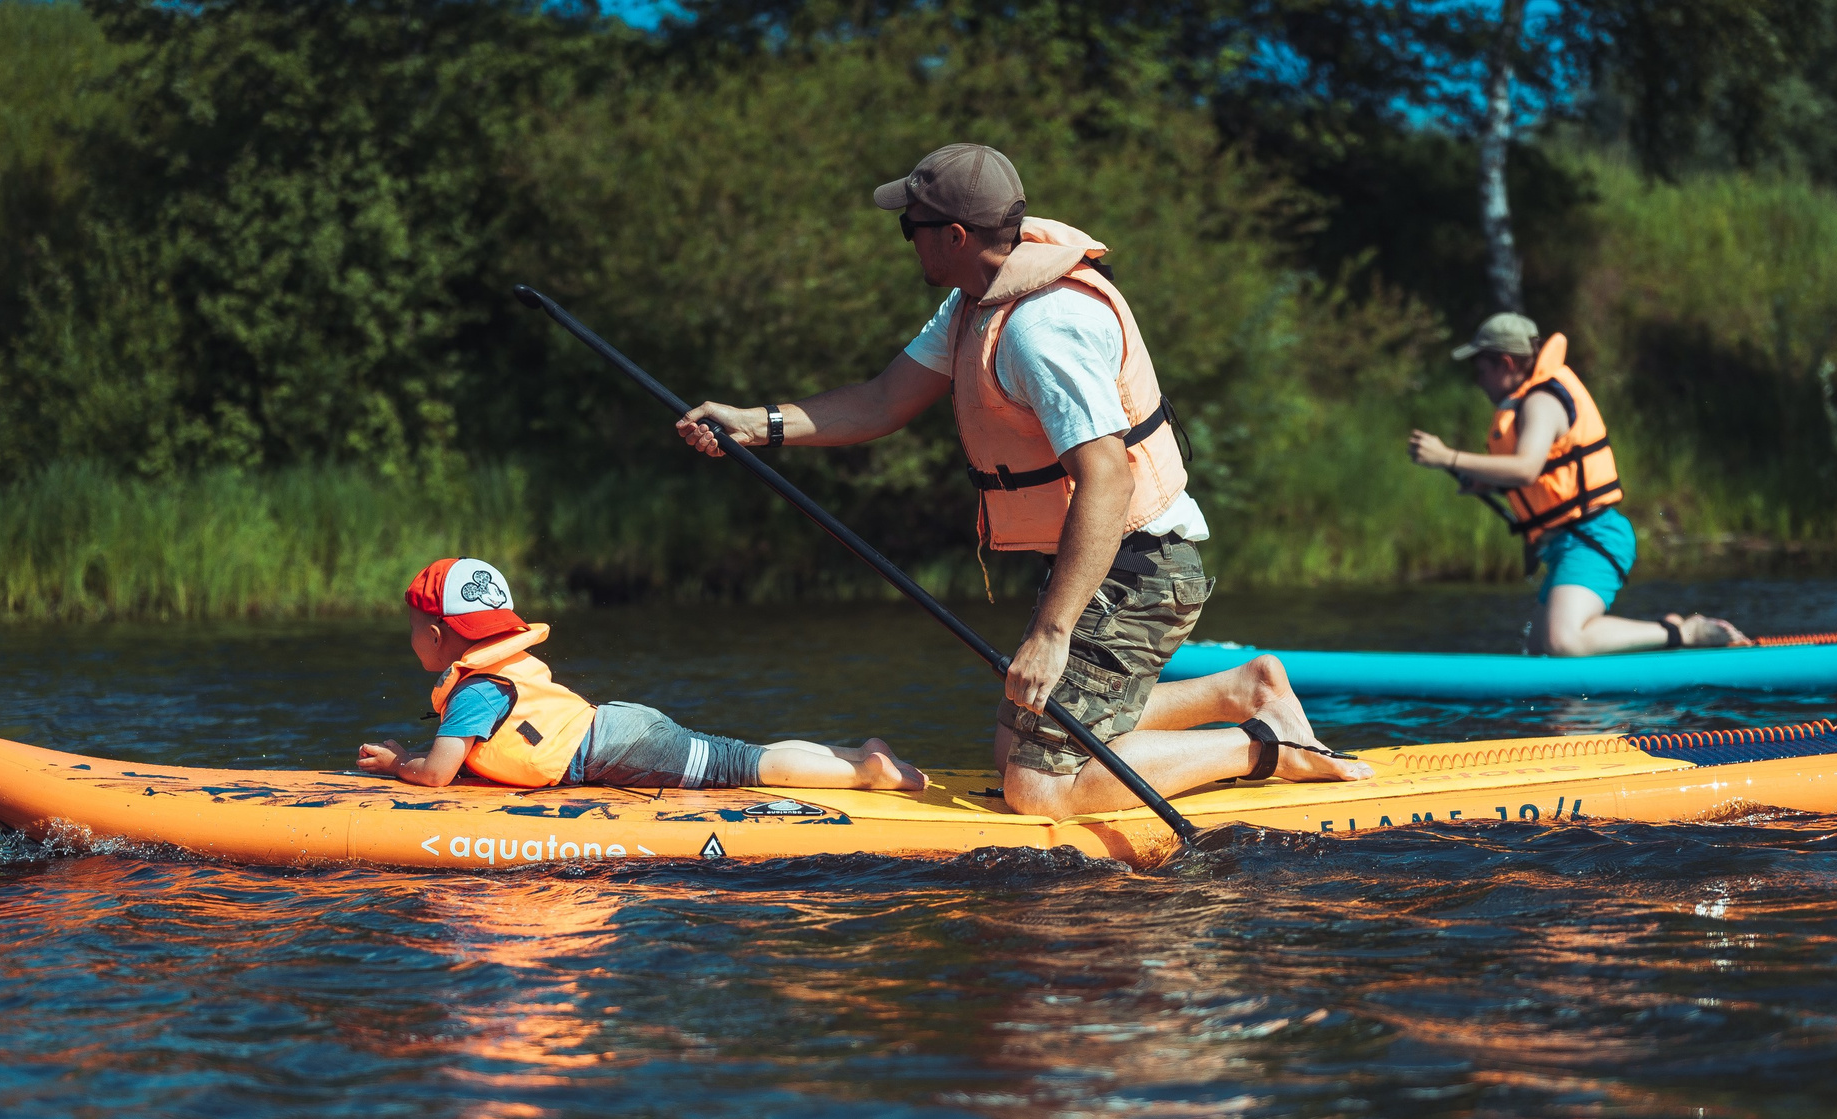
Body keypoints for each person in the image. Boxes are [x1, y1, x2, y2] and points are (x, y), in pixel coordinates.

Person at [675, 143, 1371, 817]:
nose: (906, 241)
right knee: (1015, 746)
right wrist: (754, 423)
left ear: (953, 236)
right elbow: (882, 401)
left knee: (1036, 788)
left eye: (910, 227)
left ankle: (1266, 747)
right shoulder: (976, 301)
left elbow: (1107, 479)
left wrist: (1052, 631)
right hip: (1108, 556)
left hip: (1141, 565)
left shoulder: (1044, 327)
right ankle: (1244, 690)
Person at [356, 556, 926, 792]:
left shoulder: (473, 691)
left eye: (414, 627)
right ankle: (857, 753)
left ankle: (866, 774)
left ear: (437, 635)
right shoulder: (501, 666)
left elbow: (438, 774)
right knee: (734, 753)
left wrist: (398, 763)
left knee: (740, 766)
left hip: (619, 745)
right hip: (617, 729)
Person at [1408, 314, 1745, 657]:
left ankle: (1682, 632)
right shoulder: (1529, 402)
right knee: (1539, 652)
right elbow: (1543, 476)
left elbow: (1526, 469)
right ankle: (1662, 634)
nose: (1478, 381)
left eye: (1481, 370)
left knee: (1563, 642)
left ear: (1506, 363)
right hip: (1566, 543)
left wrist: (1448, 457)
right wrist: (1487, 482)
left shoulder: (1541, 402)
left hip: (1593, 537)